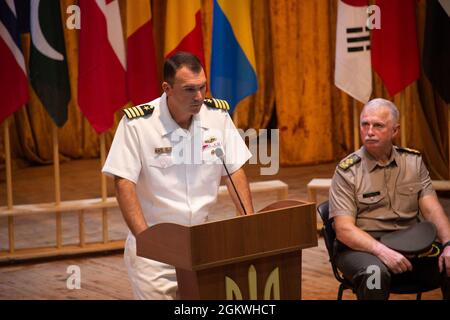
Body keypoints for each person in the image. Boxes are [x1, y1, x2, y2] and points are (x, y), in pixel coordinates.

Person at [102, 52, 254, 299]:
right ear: (167, 88)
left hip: (202, 244)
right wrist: (146, 241)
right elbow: (124, 183)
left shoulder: (217, 117)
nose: (199, 96)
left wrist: (249, 223)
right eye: (189, 89)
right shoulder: (139, 124)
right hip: (156, 250)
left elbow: (234, 171)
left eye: (202, 87)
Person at [329, 98, 450, 300]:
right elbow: (344, 230)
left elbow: (432, 210)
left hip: (411, 245)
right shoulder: (348, 171)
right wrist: (382, 252)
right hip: (363, 247)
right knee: (373, 275)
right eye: (365, 124)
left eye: (378, 125)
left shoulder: (413, 162)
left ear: (395, 130)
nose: (369, 131)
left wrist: (448, 243)